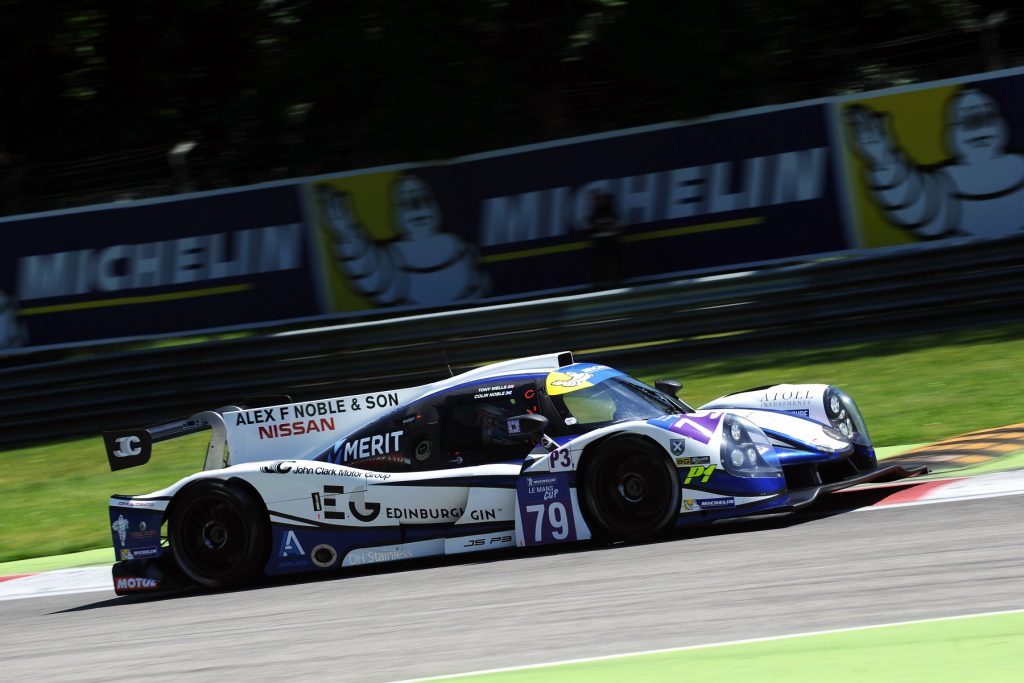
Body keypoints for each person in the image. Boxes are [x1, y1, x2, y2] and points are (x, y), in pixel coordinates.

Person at [586, 189, 622, 286]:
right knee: (598, 263)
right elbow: (591, 226)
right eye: (594, 199)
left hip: (610, 241)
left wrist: (603, 228)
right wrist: (605, 228)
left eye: (599, 198)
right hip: (598, 242)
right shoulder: (594, 214)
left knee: (612, 262)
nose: (597, 200)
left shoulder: (610, 211)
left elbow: (617, 227)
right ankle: (597, 283)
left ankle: (616, 282)